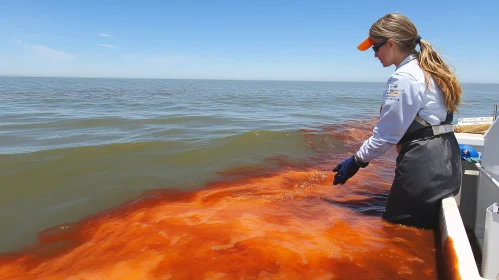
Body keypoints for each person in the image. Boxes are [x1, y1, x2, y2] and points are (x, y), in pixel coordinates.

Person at [332, 13, 462, 229]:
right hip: (447, 160)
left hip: (425, 165)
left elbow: (387, 135)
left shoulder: (403, 78)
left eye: (375, 48)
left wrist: (356, 161)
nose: (374, 55)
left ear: (391, 44)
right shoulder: (427, 70)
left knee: (396, 232)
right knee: (416, 236)